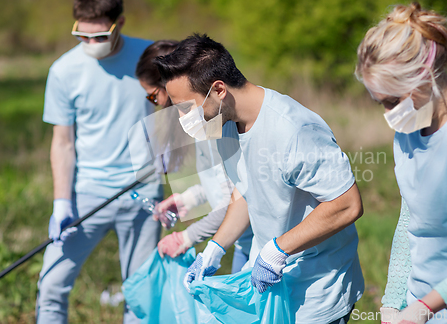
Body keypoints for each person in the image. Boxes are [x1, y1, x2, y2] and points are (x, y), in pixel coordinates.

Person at [154, 34, 365, 323]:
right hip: (270, 285)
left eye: (186, 108)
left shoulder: (293, 129)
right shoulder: (226, 126)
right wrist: (215, 248)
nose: (182, 119)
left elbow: (347, 204)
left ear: (218, 90)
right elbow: (246, 191)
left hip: (317, 291)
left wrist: (280, 249)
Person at [37, 0, 163, 323]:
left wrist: (172, 152)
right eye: (82, 35)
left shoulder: (150, 58)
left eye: (100, 36)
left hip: (143, 193)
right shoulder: (63, 71)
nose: (91, 44)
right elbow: (62, 142)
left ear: (119, 22)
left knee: (140, 296)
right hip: (86, 195)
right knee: (50, 285)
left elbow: (175, 109)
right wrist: (61, 203)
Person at [356, 2, 447, 324]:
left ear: (425, 77)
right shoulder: (408, 128)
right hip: (416, 309)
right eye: (380, 102)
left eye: (392, 100)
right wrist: (393, 301)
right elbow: (409, 219)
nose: (388, 113)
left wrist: (426, 307)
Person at [135, 40, 253, 273]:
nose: (154, 104)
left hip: (254, 240)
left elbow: (237, 200)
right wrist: (188, 200)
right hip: (244, 241)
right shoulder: (200, 126)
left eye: (152, 97)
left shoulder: (211, 124)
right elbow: (224, 184)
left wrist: (186, 238)